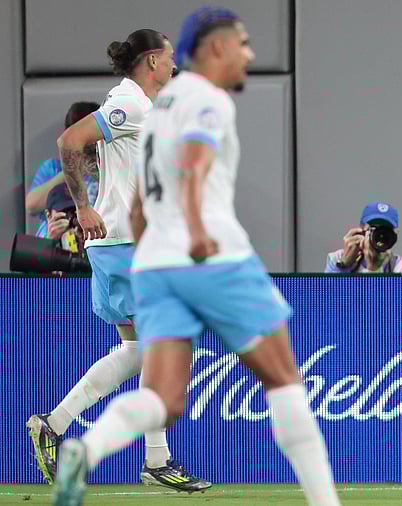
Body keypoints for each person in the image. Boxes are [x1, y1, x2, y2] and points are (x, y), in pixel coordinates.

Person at [52, 7, 340, 506]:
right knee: (284, 380)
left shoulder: (158, 106)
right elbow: (193, 164)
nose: (250, 54)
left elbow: (139, 202)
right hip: (214, 255)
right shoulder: (204, 99)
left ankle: (87, 447)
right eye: (242, 44)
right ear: (216, 49)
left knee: (161, 393)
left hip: (155, 261)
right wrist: (199, 232)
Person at [27, 28, 210, 492]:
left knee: (137, 350)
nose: (175, 65)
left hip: (126, 244)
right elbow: (70, 140)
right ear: (152, 61)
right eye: (170, 58)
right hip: (126, 245)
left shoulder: (137, 105)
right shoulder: (130, 103)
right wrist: (83, 206)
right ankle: (156, 460)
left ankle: (53, 424)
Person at [25, 101, 100, 238]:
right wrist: (72, 166)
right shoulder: (53, 167)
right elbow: (31, 205)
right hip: (54, 240)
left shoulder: (107, 169)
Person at [324, 201, 402, 273]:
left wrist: (374, 268)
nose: (380, 236)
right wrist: (342, 266)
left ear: (394, 235)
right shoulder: (338, 259)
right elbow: (326, 295)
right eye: (373, 229)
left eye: (386, 231)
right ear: (361, 231)